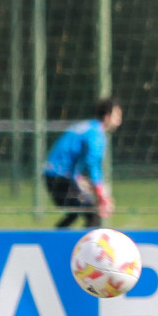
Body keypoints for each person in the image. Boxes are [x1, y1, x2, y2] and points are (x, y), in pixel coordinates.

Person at [43, 97, 121, 229]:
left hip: (55, 174)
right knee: (92, 213)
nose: (119, 121)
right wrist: (101, 193)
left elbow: (68, 154)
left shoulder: (87, 126)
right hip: (60, 177)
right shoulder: (96, 134)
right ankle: (87, 246)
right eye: (117, 116)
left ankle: (55, 240)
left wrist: (79, 179)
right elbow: (92, 164)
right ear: (107, 117)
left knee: (75, 212)